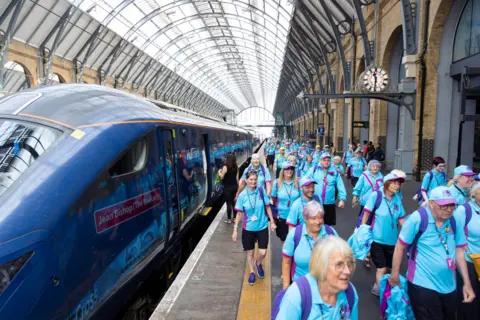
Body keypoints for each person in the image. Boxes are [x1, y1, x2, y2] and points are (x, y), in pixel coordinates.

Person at [389, 186, 475, 320]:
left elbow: (459, 251)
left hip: (449, 285)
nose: (449, 209)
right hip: (422, 283)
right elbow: (400, 246)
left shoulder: (454, 220)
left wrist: (467, 283)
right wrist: (394, 274)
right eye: (444, 206)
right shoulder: (418, 218)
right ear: (431, 204)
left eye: (452, 205)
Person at [276, 236, 359, 320]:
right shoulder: (297, 296)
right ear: (321, 265)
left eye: (349, 264)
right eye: (339, 264)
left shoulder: (350, 292)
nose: (347, 271)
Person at [361, 172, 406, 296]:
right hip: (377, 240)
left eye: (399, 184)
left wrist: (409, 233)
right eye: (394, 183)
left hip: (392, 241)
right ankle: (382, 295)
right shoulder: (376, 196)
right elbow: (366, 214)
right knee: (381, 268)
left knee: (389, 268)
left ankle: (378, 286)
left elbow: (401, 218)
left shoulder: (397, 199)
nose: (397, 186)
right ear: (387, 183)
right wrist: (363, 232)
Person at [232, 171, 277, 285]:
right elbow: (239, 214)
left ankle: (258, 263)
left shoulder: (261, 191)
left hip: (262, 226)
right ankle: (252, 272)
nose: (253, 182)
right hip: (248, 229)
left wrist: (272, 222)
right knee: (250, 252)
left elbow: (267, 208)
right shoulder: (242, 196)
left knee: (263, 252)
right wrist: (235, 229)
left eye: (255, 180)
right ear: (246, 180)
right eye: (250, 180)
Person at [282, 201, 338, 287]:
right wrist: (285, 288)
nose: (318, 222)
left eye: (320, 218)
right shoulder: (295, 235)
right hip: (300, 286)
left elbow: (340, 257)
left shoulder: (330, 233)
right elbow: (286, 263)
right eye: (313, 218)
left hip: (325, 287)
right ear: (305, 219)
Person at [454, 183, 480, 320]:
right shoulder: (464, 210)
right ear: (473, 194)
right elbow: (454, 236)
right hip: (469, 261)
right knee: (469, 302)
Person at [307, 153, 346, 226]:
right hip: (316, 202)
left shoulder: (335, 172)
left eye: (328, 160)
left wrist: (342, 199)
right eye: (324, 160)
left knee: (328, 226)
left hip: (329, 203)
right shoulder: (314, 170)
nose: (326, 162)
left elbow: (340, 185)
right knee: (315, 225)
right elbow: (306, 182)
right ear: (320, 161)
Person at [272, 162, 301, 243]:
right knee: (284, 241)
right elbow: (273, 200)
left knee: (296, 240)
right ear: (283, 171)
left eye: (291, 169)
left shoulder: (297, 183)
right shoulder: (277, 183)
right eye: (287, 169)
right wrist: (273, 218)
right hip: (282, 216)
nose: (289, 171)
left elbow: (302, 199)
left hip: (296, 216)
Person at [218, 153, 238, 224]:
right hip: (235, 187)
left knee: (228, 204)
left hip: (227, 188)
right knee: (234, 203)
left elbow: (222, 177)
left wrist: (219, 173)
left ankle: (229, 219)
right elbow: (237, 178)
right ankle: (235, 218)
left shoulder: (225, 167)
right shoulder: (236, 166)